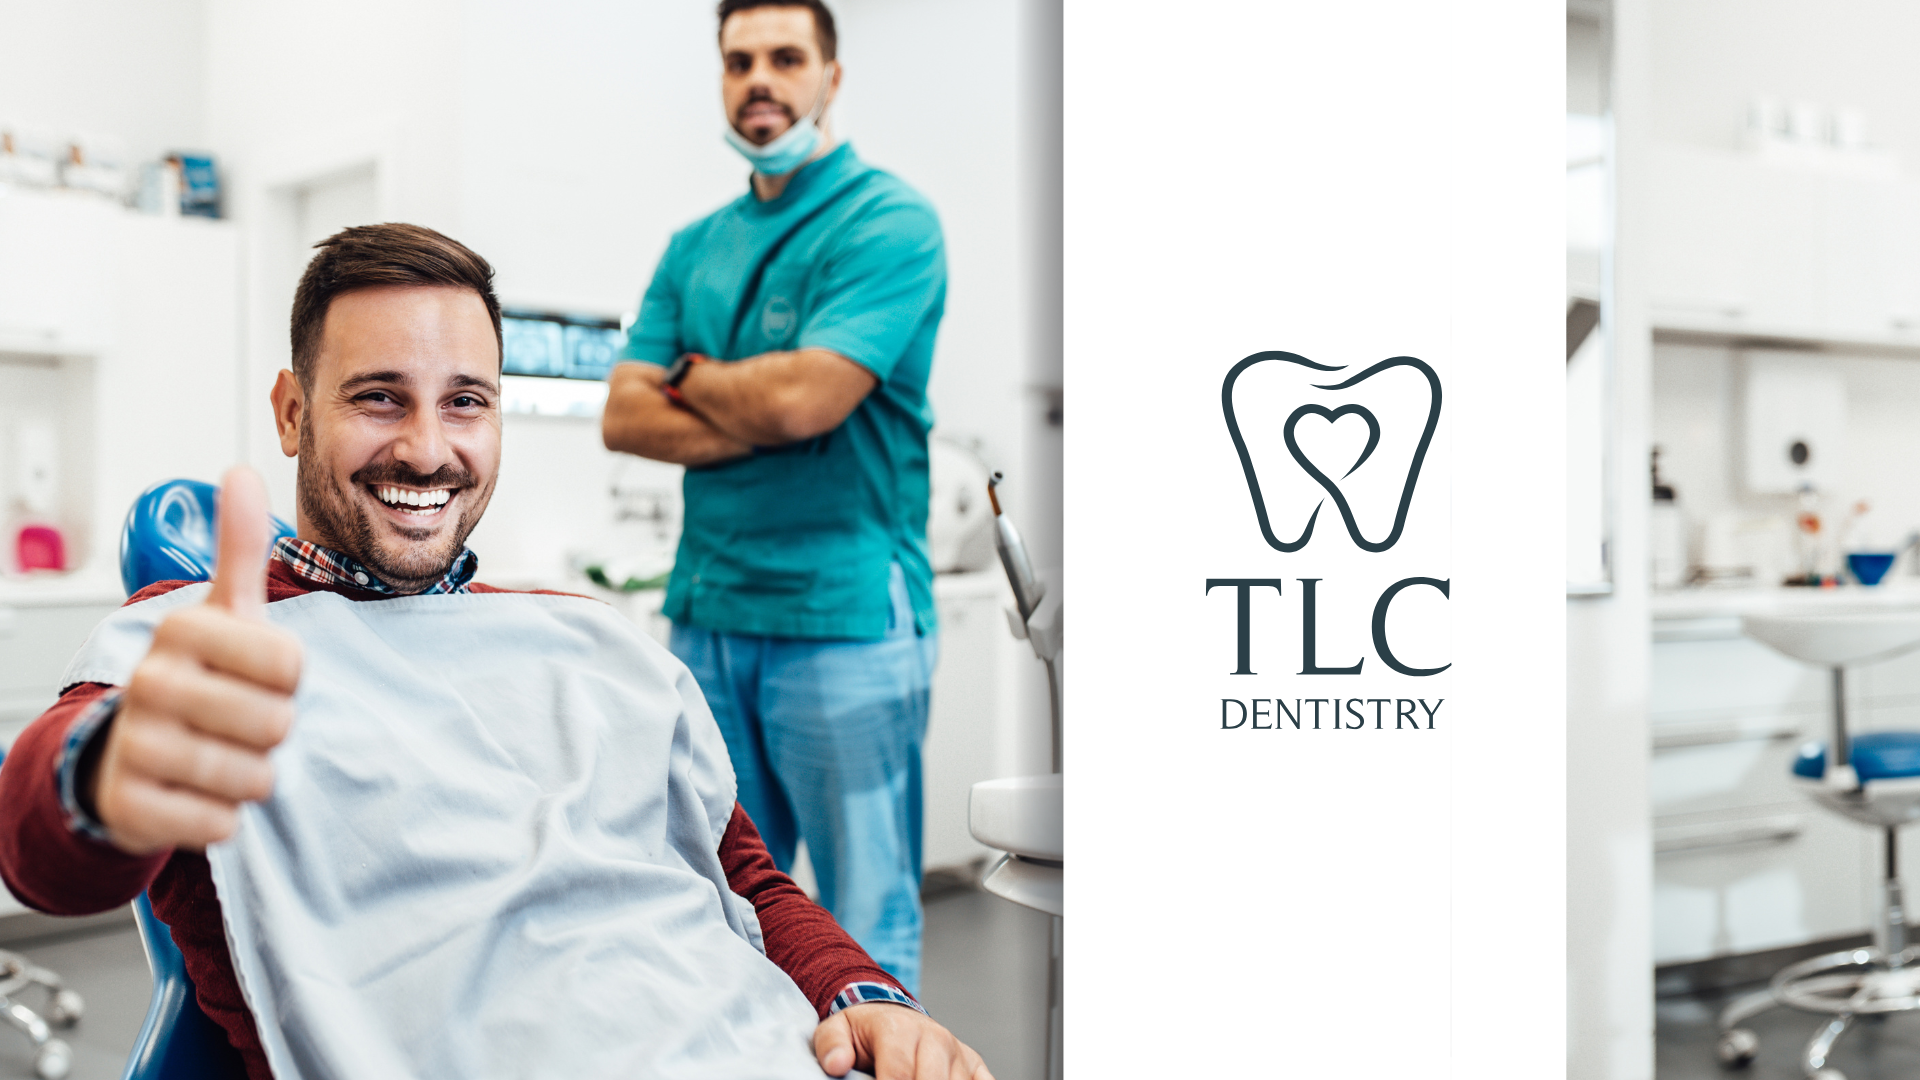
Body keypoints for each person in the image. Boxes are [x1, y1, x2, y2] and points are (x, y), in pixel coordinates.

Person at [0, 224, 989, 1080]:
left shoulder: (595, 643)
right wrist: (113, 769)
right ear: (294, 412)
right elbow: (39, 848)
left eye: (465, 401)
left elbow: (747, 883)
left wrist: (863, 994)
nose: (429, 450)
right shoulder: (199, 652)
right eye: (380, 398)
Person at [601, 0, 946, 996]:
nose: (761, 78)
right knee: (713, 904)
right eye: (739, 59)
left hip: (844, 620)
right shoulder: (693, 243)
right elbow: (623, 416)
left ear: (830, 77)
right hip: (708, 615)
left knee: (861, 919)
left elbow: (809, 398)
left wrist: (697, 376)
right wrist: (766, 403)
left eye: (787, 57)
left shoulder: (888, 221)